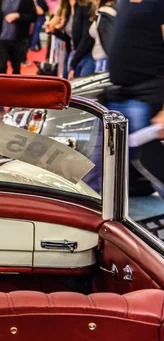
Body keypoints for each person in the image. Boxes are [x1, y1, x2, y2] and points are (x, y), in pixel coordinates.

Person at [99, 0, 164, 197]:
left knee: (152, 163)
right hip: (120, 96)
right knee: (120, 167)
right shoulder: (124, 3)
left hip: (146, 95)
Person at [48, 0, 95, 79]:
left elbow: (87, 38)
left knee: (82, 87)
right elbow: (70, 38)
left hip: (86, 54)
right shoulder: (67, 8)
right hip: (74, 54)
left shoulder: (86, 6)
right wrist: (54, 31)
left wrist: (73, 64)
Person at [0, 0, 36, 75]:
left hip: (18, 39)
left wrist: (18, 15)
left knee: (16, 69)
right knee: (1, 67)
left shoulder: (27, 1)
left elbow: (33, 17)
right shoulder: (0, 1)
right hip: (2, 38)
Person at [88, 0, 115, 73]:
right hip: (101, 58)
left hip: (103, 58)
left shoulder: (105, 13)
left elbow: (107, 39)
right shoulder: (106, 11)